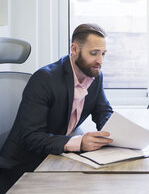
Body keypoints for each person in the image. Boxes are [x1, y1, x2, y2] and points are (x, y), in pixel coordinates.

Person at [0, 24, 114, 193]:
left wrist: (122, 134)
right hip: (23, 169)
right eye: (94, 53)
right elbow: (31, 137)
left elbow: (103, 112)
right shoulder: (44, 79)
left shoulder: (94, 75)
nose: (100, 61)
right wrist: (80, 142)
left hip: (57, 160)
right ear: (74, 49)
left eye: (103, 54)